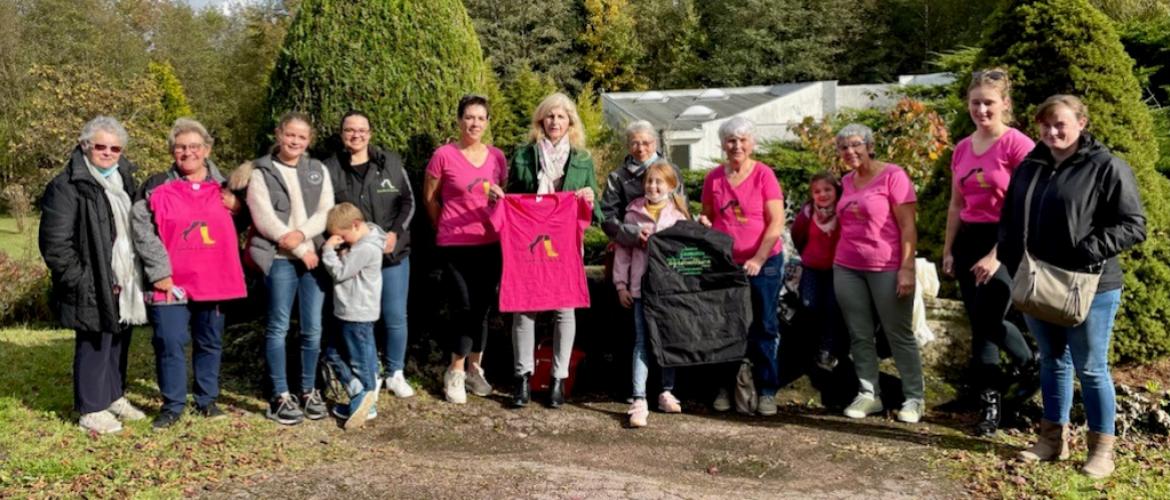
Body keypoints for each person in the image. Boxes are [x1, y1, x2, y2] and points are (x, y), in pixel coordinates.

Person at [999, 95, 1145, 479]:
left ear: (1082, 122)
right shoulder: (1030, 166)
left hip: (1090, 286)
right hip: (1039, 282)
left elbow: (1133, 224)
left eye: (1060, 123)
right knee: (1052, 361)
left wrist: (1086, 251)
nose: (1052, 131)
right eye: (1045, 125)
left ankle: (1102, 450)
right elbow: (1010, 217)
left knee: (1092, 368)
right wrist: (1015, 261)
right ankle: (1052, 440)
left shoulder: (1106, 167)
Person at [130, 118, 247, 430]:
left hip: (215, 280)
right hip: (170, 282)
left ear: (206, 150)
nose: (188, 152)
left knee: (209, 341)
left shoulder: (227, 188)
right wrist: (159, 271)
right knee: (169, 340)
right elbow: (140, 229)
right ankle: (172, 405)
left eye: (194, 146)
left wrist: (240, 207)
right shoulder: (155, 186)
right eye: (181, 147)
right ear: (172, 151)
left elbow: (253, 221)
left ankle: (206, 400)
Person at [941, 69, 1038, 436]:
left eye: (989, 102)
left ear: (1005, 105)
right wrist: (949, 249)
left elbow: (1024, 207)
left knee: (988, 318)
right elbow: (955, 203)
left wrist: (997, 254)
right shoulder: (963, 148)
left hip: (1007, 242)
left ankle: (1031, 364)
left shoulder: (1018, 145)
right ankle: (989, 409)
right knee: (980, 328)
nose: (981, 109)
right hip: (969, 240)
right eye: (975, 102)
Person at [39, 116, 148, 434]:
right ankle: (90, 408)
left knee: (117, 338)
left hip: (122, 276)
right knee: (94, 341)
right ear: (86, 146)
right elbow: (55, 244)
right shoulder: (67, 185)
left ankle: (113, 395)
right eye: (100, 146)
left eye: (115, 147)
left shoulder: (123, 179)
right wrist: (80, 279)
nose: (108, 152)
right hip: (91, 277)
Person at [506, 92, 600, 408]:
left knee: (565, 309)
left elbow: (596, 209)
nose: (555, 122)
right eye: (549, 116)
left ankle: (559, 379)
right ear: (540, 121)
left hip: (565, 243)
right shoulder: (522, 155)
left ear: (570, 121)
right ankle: (523, 378)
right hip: (529, 245)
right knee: (524, 306)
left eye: (561, 117)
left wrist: (588, 199)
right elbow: (512, 201)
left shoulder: (583, 159)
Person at [245, 112, 335, 425]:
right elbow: (263, 217)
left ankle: (308, 390)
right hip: (281, 259)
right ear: (279, 134)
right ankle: (280, 394)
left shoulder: (317, 170)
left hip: (312, 259)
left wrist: (303, 241)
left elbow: (326, 211)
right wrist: (297, 247)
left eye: (302, 137)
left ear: (308, 141)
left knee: (312, 329)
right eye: (290, 135)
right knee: (278, 328)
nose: (295, 141)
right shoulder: (261, 172)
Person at [832, 123, 925, 424]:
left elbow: (908, 226)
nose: (850, 151)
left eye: (856, 144)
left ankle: (914, 398)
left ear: (870, 146)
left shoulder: (893, 176)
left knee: (899, 334)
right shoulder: (846, 181)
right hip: (847, 266)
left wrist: (907, 268)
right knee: (859, 335)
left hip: (886, 266)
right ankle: (869, 393)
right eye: (844, 147)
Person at [323, 111, 416, 399]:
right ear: (342, 134)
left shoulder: (391, 162)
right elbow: (325, 213)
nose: (356, 135)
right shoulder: (331, 168)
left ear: (370, 133)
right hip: (355, 260)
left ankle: (395, 372)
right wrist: (339, 243)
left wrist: (396, 233)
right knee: (360, 319)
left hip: (392, 255)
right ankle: (368, 372)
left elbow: (408, 202)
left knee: (394, 315)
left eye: (362, 130)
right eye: (350, 130)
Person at [422, 94, 508, 404]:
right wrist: (442, 227)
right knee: (464, 306)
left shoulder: (497, 157)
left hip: (489, 243)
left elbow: (502, 200)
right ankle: (455, 371)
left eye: (480, 118)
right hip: (455, 244)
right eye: (469, 117)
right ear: (459, 120)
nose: (474, 123)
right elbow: (430, 199)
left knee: (483, 308)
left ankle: (475, 368)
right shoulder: (443, 155)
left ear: (487, 123)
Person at [699, 116, 786, 416]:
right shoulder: (714, 178)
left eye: (742, 140)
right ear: (723, 144)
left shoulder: (764, 174)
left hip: (765, 262)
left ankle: (766, 391)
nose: (736, 146)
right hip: (727, 264)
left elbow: (776, 222)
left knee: (764, 326)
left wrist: (759, 259)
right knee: (726, 326)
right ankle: (725, 387)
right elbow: (708, 214)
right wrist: (704, 222)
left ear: (752, 143)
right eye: (731, 140)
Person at [613, 161, 690, 427]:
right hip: (640, 288)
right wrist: (621, 285)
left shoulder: (679, 215)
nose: (653, 187)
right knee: (642, 342)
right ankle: (638, 397)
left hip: (668, 290)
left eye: (659, 182)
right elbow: (622, 253)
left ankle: (666, 391)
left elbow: (687, 254)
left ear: (670, 186)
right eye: (649, 182)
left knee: (668, 340)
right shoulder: (633, 213)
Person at [321, 203, 385, 430]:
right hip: (349, 310)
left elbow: (340, 272)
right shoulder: (361, 244)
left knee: (361, 361)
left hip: (357, 312)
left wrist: (328, 250)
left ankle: (365, 401)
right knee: (333, 354)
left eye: (342, 236)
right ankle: (359, 394)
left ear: (356, 225)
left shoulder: (365, 248)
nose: (341, 241)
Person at [790, 171, 846, 372]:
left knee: (833, 307)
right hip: (812, 267)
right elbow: (797, 235)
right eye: (817, 191)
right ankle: (808, 346)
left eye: (827, 189)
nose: (822, 194)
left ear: (836, 190)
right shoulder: (807, 213)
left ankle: (828, 350)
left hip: (836, 269)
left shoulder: (843, 211)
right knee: (808, 304)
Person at [600, 120, 684, 247]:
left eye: (646, 143)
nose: (640, 149)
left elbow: (682, 207)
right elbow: (607, 217)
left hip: (669, 245)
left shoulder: (672, 171)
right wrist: (633, 234)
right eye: (635, 143)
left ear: (655, 143)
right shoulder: (617, 177)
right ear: (628, 145)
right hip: (633, 247)